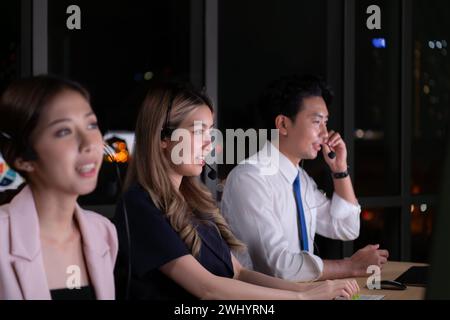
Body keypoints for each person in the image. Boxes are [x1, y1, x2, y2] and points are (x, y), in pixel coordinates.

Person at [113, 81, 359, 300]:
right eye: (199, 131)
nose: (209, 142)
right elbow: (208, 289)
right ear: (163, 138)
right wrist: (303, 298)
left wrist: (305, 292)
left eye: (210, 132)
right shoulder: (140, 205)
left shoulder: (194, 203)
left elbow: (239, 273)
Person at [221, 75, 389, 282]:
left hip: (306, 294)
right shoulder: (249, 180)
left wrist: (340, 170)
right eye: (317, 122)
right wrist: (351, 266)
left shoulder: (300, 179)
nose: (325, 134)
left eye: (325, 123)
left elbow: (346, 227)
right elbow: (279, 268)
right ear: (283, 124)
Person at [0, 75, 118, 300]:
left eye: (91, 124)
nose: (89, 143)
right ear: (23, 158)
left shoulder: (103, 232)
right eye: (64, 131)